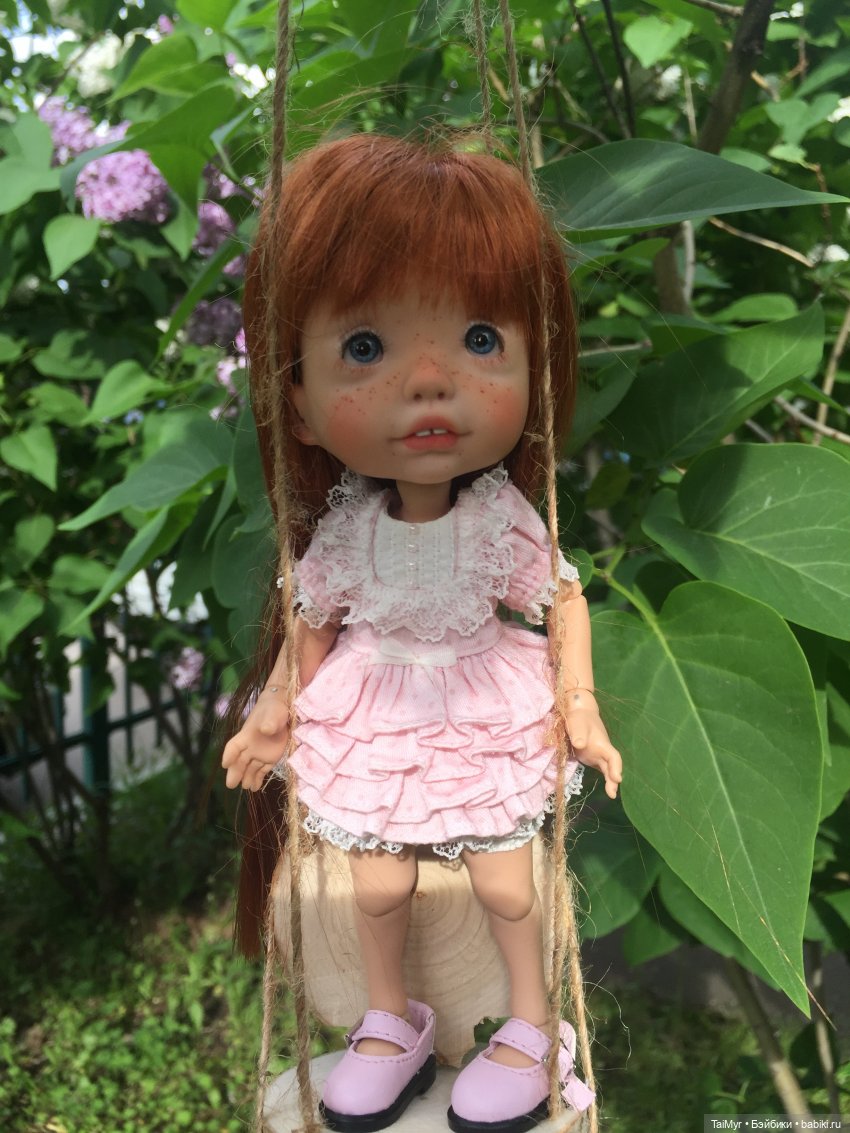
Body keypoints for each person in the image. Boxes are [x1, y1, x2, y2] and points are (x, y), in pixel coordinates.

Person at [221, 132, 623, 1133]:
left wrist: (579, 703)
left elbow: (562, 598)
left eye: (481, 340)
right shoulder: (348, 530)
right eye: (366, 348)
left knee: (508, 885)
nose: (431, 380)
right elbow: (314, 620)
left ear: (534, 367)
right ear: (298, 406)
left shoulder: (497, 523)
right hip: (377, 711)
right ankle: (388, 1020)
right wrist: (274, 711)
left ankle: (533, 1025)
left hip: (481, 703)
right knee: (378, 884)